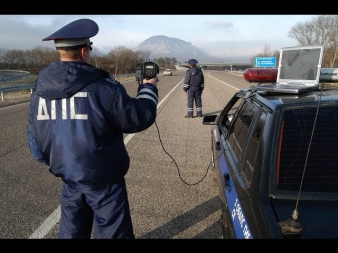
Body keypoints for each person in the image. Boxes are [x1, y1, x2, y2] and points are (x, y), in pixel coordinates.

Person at [26, 18, 159, 239]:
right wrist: (149, 89)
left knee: (71, 231)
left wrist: (57, 164)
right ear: (83, 51)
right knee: (112, 232)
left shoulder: (39, 90)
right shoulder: (103, 87)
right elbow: (138, 117)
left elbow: (34, 138)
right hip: (104, 180)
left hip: (69, 178)